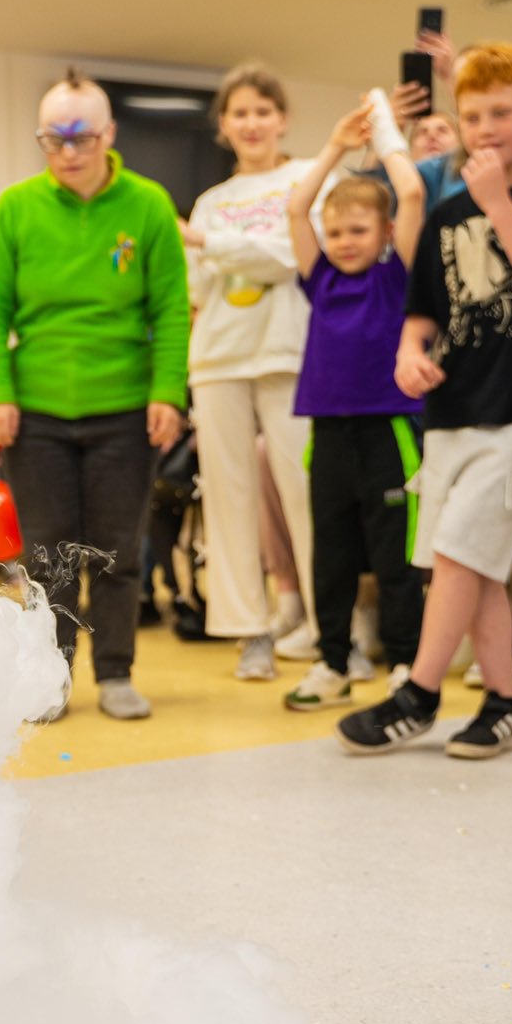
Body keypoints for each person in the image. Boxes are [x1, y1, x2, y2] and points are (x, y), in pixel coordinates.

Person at [337, 43, 512, 759]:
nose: (485, 130)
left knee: (458, 554)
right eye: (473, 116)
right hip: (449, 410)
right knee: (471, 565)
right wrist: (408, 355)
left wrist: (499, 207)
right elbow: (423, 312)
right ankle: (503, 704)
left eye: (501, 114)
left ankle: (420, 693)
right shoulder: (448, 211)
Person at [0, 68, 188, 720]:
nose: (68, 152)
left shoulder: (148, 205)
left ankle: (117, 672)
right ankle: (54, 678)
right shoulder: (15, 207)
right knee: (48, 556)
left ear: (109, 134)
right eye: (53, 139)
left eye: (81, 138)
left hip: (124, 408)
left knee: (117, 551)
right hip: (36, 411)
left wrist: (168, 391)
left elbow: (171, 307)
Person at [281, 98, 427, 711]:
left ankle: (405, 663)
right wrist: (336, 146)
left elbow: (411, 193)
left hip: (389, 429)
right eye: (335, 232)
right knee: (331, 555)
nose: (343, 242)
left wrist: (387, 136)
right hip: (329, 432)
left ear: (386, 233)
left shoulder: (398, 276)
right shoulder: (321, 278)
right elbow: (297, 207)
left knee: (396, 556)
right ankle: (333, 663)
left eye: (358, 231)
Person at [183, 63, 324, 679]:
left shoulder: (308, 180)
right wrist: (216, 249)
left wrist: (211, 245)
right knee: (228, 499)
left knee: (307, 492)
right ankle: (250, 631)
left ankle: (328, 626)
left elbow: (296, 257)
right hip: (218, 360)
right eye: (239, 113)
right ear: (224, 125)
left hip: (291, 353)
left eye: (263, 111)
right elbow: (197, 293)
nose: (252, 123)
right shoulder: (211, 203)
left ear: (282, 119)